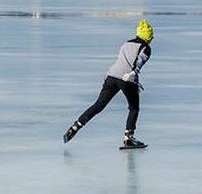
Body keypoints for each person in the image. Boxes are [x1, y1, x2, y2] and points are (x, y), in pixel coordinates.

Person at [63, 19, 154, 148]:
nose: (151, 40)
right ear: (148, 37)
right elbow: (136, 65)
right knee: (134, 108)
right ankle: (128, 138)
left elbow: (124, 61)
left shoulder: (126, 43)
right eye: (151, 37)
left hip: (111, 75)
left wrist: (135, 81)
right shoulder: (146, 48)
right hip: (126, 78)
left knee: (99, 105)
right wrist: (132, 77)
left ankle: (75, 127)